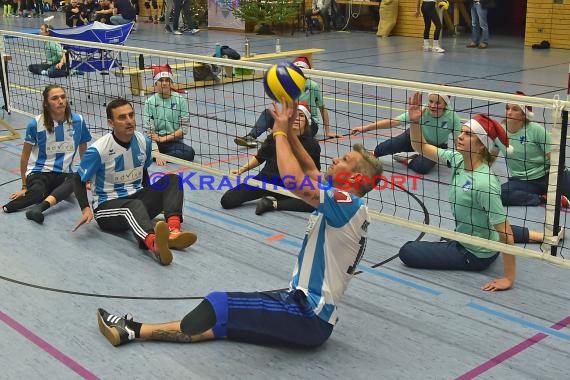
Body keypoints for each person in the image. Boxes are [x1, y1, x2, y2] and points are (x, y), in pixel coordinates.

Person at [96, 99, 383, 347]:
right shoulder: (350, 205)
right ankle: (132, 331)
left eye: (345, 159)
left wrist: (280, 134)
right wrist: (287, 128)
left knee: (218, 303)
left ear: (356, 179)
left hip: (306, 311)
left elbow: (295, 180)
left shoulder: (347, 203)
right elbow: (309, 168)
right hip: (308, 314)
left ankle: (134, 329)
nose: (335, 159)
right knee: (223, 325)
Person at [398, 92, 518, 291]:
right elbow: (420, 146)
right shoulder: (458, 160)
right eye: (461, 132)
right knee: (490, 220)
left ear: (481, 145)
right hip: (469, 236)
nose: (460, 137)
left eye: (468, 134)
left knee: (407, 251)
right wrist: (415, 122)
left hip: (475, 254)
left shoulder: (484, 183)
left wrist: (508, 278)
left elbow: (505, 233)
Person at [72, 98, 197, 266]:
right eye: (122, 117)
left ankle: (173, 231)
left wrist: (150, 196)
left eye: (131, 115)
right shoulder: (99, 149)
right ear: (111, 123)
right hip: (106, 207)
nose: (129, 121)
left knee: (172, 180)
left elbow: (142, 170)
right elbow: (77, 179)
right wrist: (85, 208)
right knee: (133, 206)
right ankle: (155, 245)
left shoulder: (143, 141)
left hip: (135, 197)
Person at [2, 85, 91, 224]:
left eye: (63, 97)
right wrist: (24, 186)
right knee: (37, 192)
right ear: (46, 103)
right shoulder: (36, 124)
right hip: (38, 173)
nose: (60, 101)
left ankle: (38, 208)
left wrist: (86, 177)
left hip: (63, 174)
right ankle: (10, 207)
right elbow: (25, 157)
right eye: (55, 98)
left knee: (76, 179)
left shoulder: (78, 121)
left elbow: (83, 149)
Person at [221, 102, 321, 215]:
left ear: (307, 121)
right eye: (294, 115)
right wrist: (241, 170)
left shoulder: (312, 145)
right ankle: (273, 198)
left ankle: (273, 204)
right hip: (266, 180)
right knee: (227, 200)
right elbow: (260, 157)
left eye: (301, 116)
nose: (297, 118)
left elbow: (313, 172)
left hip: (291, 185)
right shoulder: (277, 136)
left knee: (316, 201)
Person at [235, 57, 336, 148]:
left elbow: (322, 108)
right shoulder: (287, 85)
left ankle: (281, 134)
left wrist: (328, 132)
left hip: (309, 123)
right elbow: (286, 107)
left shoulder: (313, 86)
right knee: (268, 113)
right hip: (291, 120)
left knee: (288, 131)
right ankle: (250, 137)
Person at [351, 91, 461, 175]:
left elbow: (458, 140)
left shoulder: (452, 117)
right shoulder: (420, 111)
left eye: (437, 103)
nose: (432, 105)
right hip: (413, 138)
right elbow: (393, 122)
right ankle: (373, 154)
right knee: (386, 147)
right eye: (431, 101)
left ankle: (406, 159)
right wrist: (365, 128)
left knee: (422, 168)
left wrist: (462, 161)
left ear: (445, 104)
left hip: (435, 146)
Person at [499, 91, 570, 208]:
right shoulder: (499, 131)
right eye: (507, 108)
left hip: (548, 175)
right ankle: (542, 198)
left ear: (523, 114)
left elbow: (554, 160)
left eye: (515, 109)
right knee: (499, 194)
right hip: (523, 182)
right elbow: (490, 157)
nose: (509, 112)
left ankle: (550, 193)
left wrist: (554, 184)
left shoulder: (536, 130)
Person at [143, 64, 195, 163]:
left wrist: (164, 139)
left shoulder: (180, 99)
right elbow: (149, 131)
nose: (164, 83)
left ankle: (159, 157)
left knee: (190, 153)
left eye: (167, 80)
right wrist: (156, 150)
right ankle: (157, 154)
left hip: (173, 141)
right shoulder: (149, 102)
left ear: (171, 83)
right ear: (155, 83)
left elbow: (184, 129)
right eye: (161, 80)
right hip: (155, 141)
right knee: (141, 148)